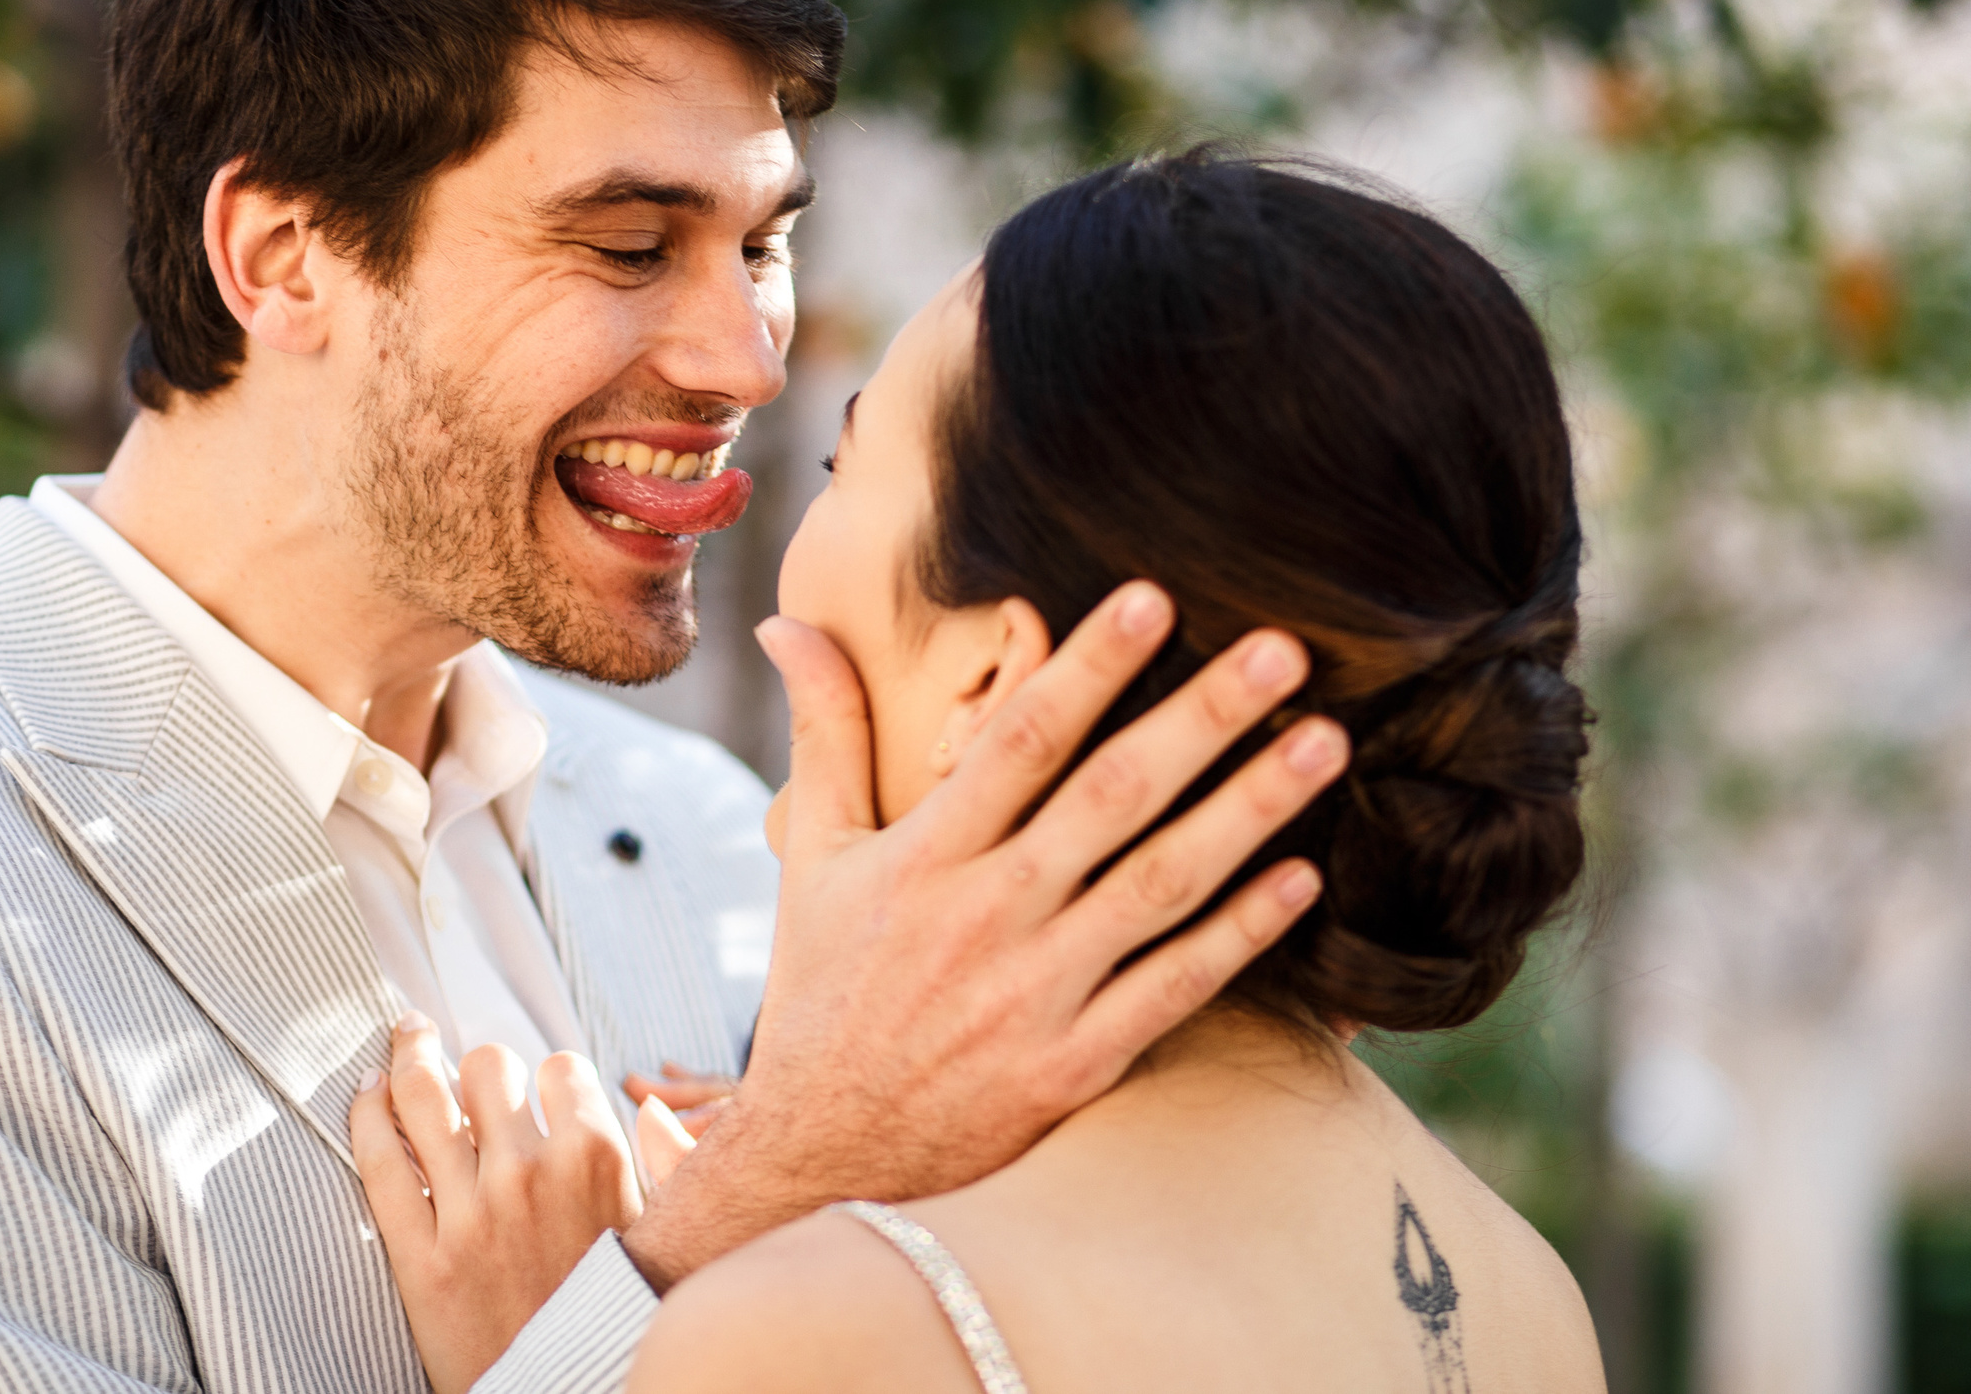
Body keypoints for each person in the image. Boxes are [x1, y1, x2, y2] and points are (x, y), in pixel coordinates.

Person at [0, 0, 1347, 1394]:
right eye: (632, 240)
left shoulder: (722, 839)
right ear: (282, 256)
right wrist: (708, 1245)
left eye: (759, 241)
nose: (748, 358)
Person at [357, 152, 1607, 1393]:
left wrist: (554, 1360)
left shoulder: (824, 1333)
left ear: (992, 680)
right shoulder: (1525, 1295)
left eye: (848, 471)